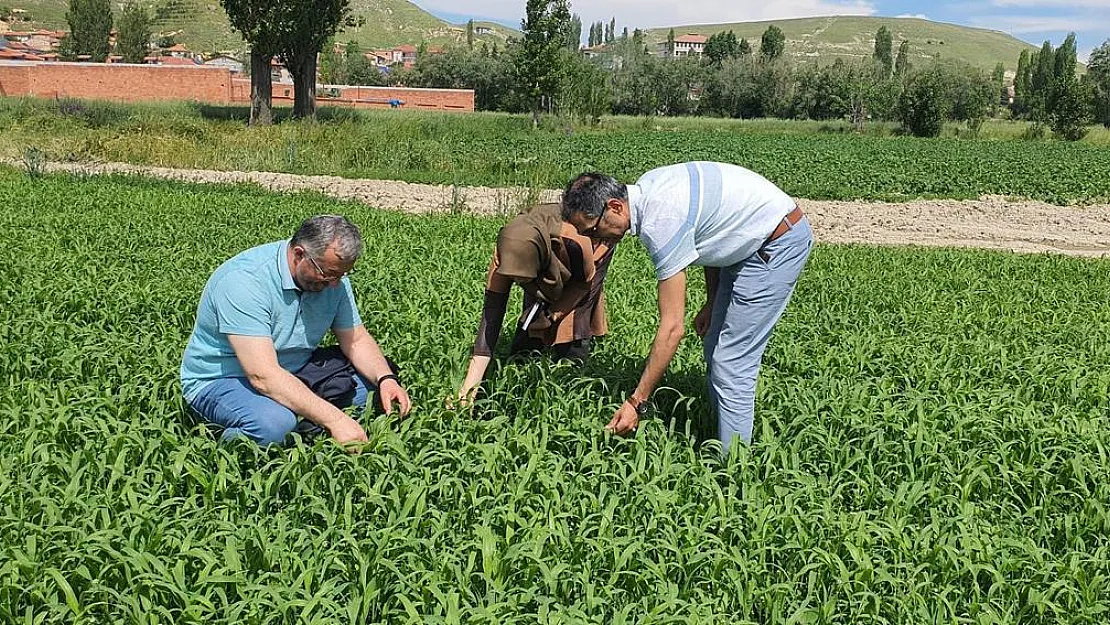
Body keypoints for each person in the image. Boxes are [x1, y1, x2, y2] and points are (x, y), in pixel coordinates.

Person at [561, 162, 812, 451]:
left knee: (731, 361)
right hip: (748, 239)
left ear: (615, 206)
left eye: (593, 229)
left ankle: (733, 467)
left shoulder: (661, 221)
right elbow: (711, 235)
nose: (595, 239)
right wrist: (711, 300)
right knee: (715, 347)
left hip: (775, 242)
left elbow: (672, 329)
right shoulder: (646, 188)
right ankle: (725, 428)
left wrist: (636, 402)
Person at [180, 215, 411, 447]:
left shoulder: (333, 280)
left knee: (374, 392)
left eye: (341, 275)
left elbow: (356, 339)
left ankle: (301, 423)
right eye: (328, 273)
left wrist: (386, 379)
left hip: (295, 369)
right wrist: (335, 419)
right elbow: (262, 375)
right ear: (299, 254)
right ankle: (225, 447)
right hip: (227, 378)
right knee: (274, 425)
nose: (334, 284)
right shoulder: (244, 282)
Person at [456, 203, 616, 405]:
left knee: (575, 320)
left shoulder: (577, 242)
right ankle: (527, 353)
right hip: (540, 251)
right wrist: (468, 388)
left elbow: (583, 285)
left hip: (591, 244)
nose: (522, 283)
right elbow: (492, 315)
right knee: (532, 318)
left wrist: (554, 315)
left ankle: (572, 383)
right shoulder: (505, 255)